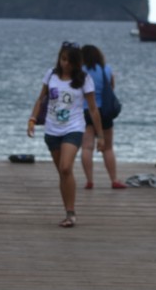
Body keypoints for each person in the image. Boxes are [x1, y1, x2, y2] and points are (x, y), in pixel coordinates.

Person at [27, 42, 104, 227]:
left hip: (74, 128)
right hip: (52, 130)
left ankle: (71, 214)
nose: (65, 64)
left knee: (66, 168)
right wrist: (32, 119)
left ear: (77, 62)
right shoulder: (51, 74)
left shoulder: (84, 79)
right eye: (63, 59)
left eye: (69, 61)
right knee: (63, 174)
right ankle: (68, 212)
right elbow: (41, 98)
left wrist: (100, 136)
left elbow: (93, 109)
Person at [80, 44, 125, 190]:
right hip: (104, 111)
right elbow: (111, 88)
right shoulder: (106, 69)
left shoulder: (80, 71)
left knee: (87, 147)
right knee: (108, 147)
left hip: (86, 111)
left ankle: (89, 180)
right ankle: (114, 180)